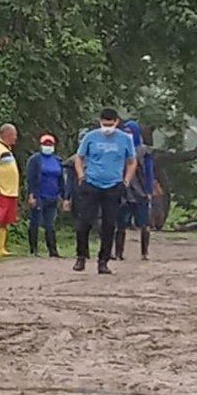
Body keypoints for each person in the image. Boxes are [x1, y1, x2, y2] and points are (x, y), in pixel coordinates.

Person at [73, 108, 137, 274]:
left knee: (109, 225)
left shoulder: (124, 139)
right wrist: (81, 176)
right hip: (92, 183)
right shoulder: (91, 137)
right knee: (84, 222)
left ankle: (103, 261)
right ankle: (81, 256)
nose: (107, 127)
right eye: (104, 124)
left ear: (116, 122)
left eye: (110, 124)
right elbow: (79, 157)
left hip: (114, 185)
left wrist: (126, 181)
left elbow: (132, 161)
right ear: (99, 121)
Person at [116, 120, 154, 261]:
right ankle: (118, 253)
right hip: (123, 191)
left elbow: (149, 172)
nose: (127, 135)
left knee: (144, 223)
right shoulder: (119, 149)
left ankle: (144, 253)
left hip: (140, 191)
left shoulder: (144, 152)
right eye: (125, 132)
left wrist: (149, 190)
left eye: (130, 132)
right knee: (120, 223)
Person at [25, 135, 66, 257]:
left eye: (50, 144)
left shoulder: (57, 160)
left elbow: (61, 180)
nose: (48, 146)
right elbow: (30, 178)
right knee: (35, 222)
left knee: (50, 224)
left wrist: (63, 196)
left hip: (53, 197)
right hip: (39, 196)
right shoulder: (35, 160)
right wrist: (31, 195)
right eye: (45, 144)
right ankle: (33, 249)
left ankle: (52, 250)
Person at [0, 124, 19, 257]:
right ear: (6, 134)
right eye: (13, 135)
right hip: (1, 190)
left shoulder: (8, 149)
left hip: (11, 191)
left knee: (5, 220)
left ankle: (1, 247)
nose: (15, 138)